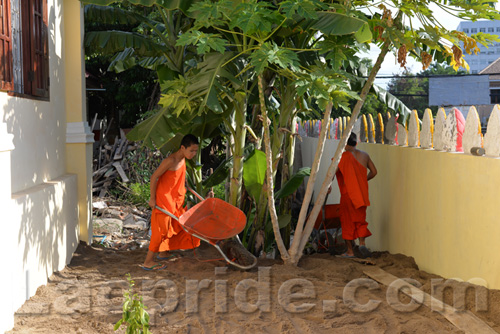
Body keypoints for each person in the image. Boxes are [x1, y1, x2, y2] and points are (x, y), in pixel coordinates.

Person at [142, 134, 201, 270]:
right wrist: (152, 198)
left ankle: (163, 252)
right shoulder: (171, 160)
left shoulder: (183, 159)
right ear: (182, 147)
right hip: (164, 200)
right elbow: (154, 177)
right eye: (191, 150)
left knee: (174, 226)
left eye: (196, 151)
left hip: (176, 200)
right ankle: (148, 261)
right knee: (160, 230)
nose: (193, 154)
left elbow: (176, 177)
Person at [335, 132, 377, 258]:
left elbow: (332, 173)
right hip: (362, 194)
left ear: (345, 143)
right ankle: (362, 243)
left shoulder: (343, 156)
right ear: (356, 143)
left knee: (347, 221)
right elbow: (374, 172)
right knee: (360, 220)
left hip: (348, 194)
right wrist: (363, 180)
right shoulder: (365, 155)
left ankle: (350, 251)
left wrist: (328, 187)